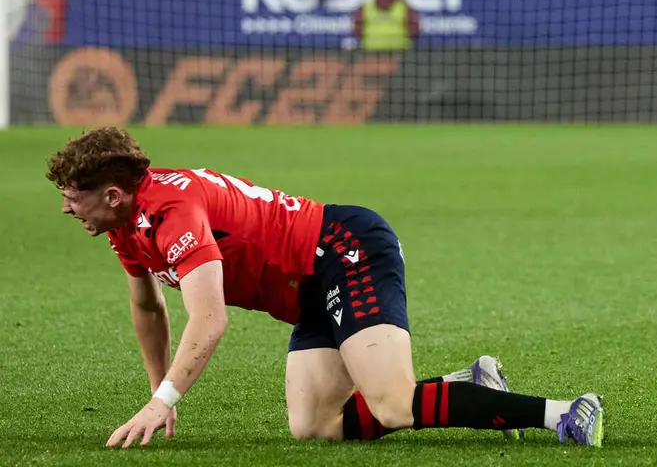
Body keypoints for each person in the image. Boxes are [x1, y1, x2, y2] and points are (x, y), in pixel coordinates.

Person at [47, 127, 604, 449]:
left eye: (74, 195)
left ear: (115, 193)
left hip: (342, 251)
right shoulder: (127, 225)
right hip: (306, 289)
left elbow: (209, 319)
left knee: (389, 405)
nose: (68, 207)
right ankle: (472, 383)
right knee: (312, 426)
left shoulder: (170, 210)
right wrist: (156, 396)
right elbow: (148, 306)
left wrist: (165, 397)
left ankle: (565, 413)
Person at [353, 0, 418, 52]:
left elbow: (414, 32)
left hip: (399, 53)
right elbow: (357, 29)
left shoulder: (404, 8)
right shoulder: (365, 8)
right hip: (371, 55)